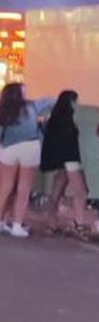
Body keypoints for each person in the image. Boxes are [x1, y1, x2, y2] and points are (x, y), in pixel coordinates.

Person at [0, 82, 56, 238]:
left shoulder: (1, 111)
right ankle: (17, 225)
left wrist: (3, 143)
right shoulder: (31, 107)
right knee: (23, 189)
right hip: (29, 148)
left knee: (4, 188)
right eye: (24, 92)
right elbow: (51, 100)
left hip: (8, 149)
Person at [41, 90, 98, 236]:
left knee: (56, 191)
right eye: (77, 101)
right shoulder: (71, 118)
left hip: (60, 160)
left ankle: (51, 224)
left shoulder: (55, 118)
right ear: (72, 102)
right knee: (81, 191)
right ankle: (79, 224)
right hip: (70, 159)